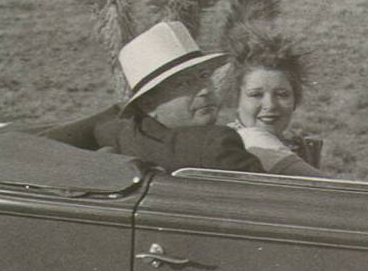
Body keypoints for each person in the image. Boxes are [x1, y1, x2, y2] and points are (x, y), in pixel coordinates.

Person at [93, 21, 264, 173]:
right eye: (184, 84)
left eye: (204, 76)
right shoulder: (215, 145)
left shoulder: (117, 135)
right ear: (148, 105)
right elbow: (272, 203)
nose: (204, 90)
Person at [225, 28, 327, 177]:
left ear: (295, 100)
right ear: (237, 100)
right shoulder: (245, 139)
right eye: (256, 95)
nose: (270, 105)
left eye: (282, 94)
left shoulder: (298, 146)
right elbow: (332, 190)